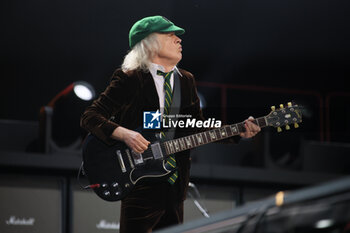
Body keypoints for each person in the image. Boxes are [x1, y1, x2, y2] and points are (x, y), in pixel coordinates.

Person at [80, 15, 261, 233]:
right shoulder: (131, 78)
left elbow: (197, 126)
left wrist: (238, 131)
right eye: (170, 34)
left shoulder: (186, 80)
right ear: (149, 42)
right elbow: (90, 116)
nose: (178, 39)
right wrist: (124, 134)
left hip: (175, 188)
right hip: (139, 184)